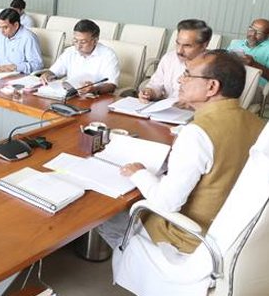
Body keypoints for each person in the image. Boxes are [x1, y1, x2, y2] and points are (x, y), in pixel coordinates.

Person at [99, 50, 265, 255]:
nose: (180, 80)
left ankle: (133, 260)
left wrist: (138, 172)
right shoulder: (259, 124)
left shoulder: (197, 134)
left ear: (212, 87)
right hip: (233, 235)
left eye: (187, 74)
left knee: (107, 215)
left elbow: (166, 203)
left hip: (187, 240)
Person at [139, 19, 212, 103]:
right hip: (167, 107)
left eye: (187, 46)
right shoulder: (169, 58)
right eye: (178, 43)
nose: (179, 51)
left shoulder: (214, 67)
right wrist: (149, 93)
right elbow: (156, 85)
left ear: (204, 45)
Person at [40, 19, 119, 95]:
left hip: (96, 97)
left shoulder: (108, 55)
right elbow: (54, 72)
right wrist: (47, 75)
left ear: (95, 41)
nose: (78, 46)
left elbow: (111, 85)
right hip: (72, 95)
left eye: (83, 42)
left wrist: (94, 89)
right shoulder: (70, 51)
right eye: (75, 40)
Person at [227, 18, 269, 87]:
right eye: (251, 29)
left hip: (255, 87)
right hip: (231, 82)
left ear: (267, 35)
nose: (253, 34)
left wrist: (254, 64)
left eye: (259, 33)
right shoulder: (235, 43)